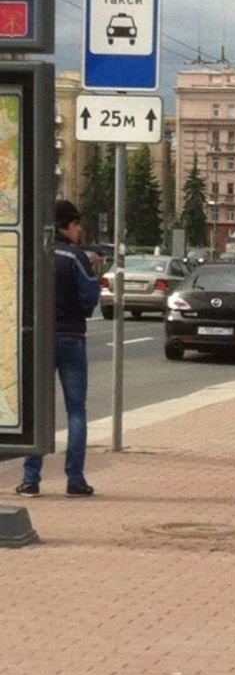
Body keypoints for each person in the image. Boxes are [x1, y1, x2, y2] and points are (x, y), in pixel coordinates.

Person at [16, 200, 101, 498]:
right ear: (67, 225)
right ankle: (75, 479)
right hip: (71, 337)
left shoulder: (35, 252)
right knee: (76, 410)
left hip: (39, 338)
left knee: (37, 408)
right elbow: (89, 296)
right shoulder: (75, 257)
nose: (79, 230)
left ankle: (30, 479)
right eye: (77, 225)